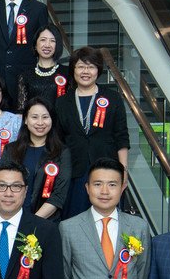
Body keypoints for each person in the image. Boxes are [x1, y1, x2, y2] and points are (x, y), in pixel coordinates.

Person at [56, 46, 130, 219]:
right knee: (75, 219)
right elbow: (58, 140)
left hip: (107, 169)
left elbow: (121, 136)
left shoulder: (112, 98)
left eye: (91, 67)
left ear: (98, 70)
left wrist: (123, 170)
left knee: (107, 218)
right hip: (74, 171)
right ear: (73, 69)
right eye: (81, 66)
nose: (85, 71)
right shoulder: (62, 102)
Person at [3, 97, 71, 219]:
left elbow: (59, 195)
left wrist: (33, 221)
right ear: (25, 120)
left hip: (46, 221)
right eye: (34, 117)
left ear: (52, 120)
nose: (40, 123)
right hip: (12, 218)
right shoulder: (10, 150)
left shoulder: (62, 152)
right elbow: (3, 185)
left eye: (45, 117)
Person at [16, 24, 68, 110]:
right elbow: (22, 110)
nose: (47, 45)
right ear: (35, 45)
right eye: (43, 40)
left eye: (52, 41)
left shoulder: (67, 73)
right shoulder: (25, 75)